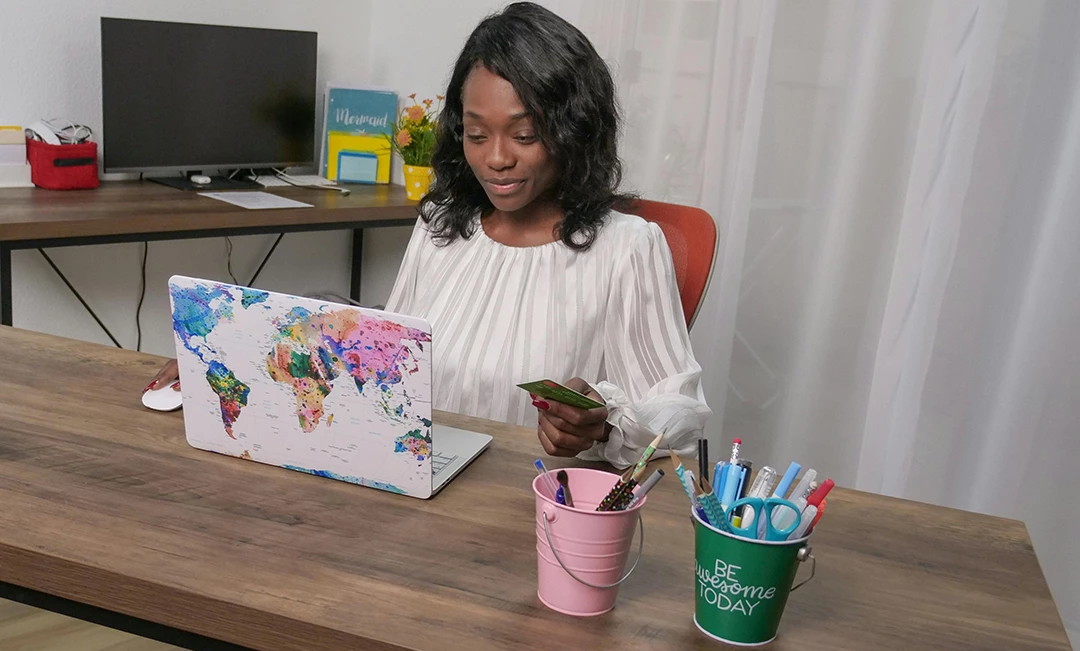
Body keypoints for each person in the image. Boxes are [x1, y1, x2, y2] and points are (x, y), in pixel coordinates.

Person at [147, 2, 711, 468]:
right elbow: (388, 361)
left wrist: (605, 422)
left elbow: (680, 413)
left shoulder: (626, 248)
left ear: (574, 132)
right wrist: (235, 358)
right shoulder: (443, 224)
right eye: (476, 134)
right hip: (416, 482)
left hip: (533, 507)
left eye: (525, 135)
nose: (496, 159)